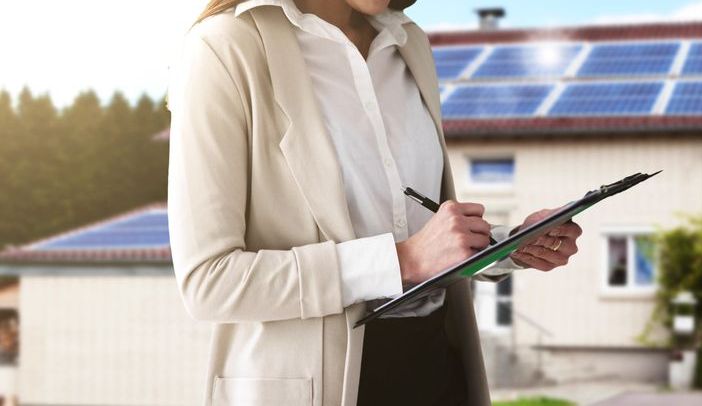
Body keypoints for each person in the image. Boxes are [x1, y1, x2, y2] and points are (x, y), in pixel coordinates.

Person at [166, 0, 583, 405]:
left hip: (439, 370)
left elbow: (422, 239)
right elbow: (209, 281)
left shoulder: (407, 42)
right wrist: (401, 260)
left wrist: (506, 246)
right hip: (318, 388)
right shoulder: (222, 48)